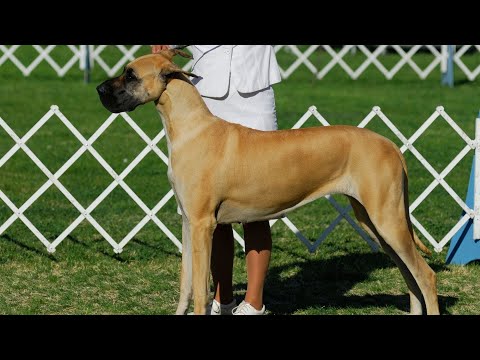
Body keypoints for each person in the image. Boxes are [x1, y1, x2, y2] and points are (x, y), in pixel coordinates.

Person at [151, 45, 282, 315]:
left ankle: (254, 303)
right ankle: (223, 299)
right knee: (208, 209)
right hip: (206, 92)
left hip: (254, 90)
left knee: (257, 207)